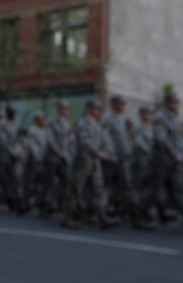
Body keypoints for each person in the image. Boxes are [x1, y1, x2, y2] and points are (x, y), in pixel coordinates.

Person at [139, 92, 183, 230]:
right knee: (153, 189)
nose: (176, 106)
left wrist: (182, 157)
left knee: (178, 188)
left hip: (173, 161)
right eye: (173, 103)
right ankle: (139, 214)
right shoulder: (160, 118)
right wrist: (174, 154)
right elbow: (161, 139)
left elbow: (177, 140)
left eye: (177, 103)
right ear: (167, 103)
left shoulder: (173, 119)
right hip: (160, 160)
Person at [61, 99, 118, 230]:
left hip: (95, 161)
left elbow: (104, 140)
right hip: (83, 160)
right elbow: (85, 141)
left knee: (98, 189)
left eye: (97, 109)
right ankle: (67, 217)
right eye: (94, 108)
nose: (96, 111)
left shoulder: (96, 125)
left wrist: (108, 153)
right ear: (88, 109)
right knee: (76, 189)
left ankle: (102, 218)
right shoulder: (82, 123)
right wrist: (99, 153)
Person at [101, 95, 139, 221]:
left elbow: (124, 138)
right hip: (111, 159)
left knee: (125, 185)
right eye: (120, 104)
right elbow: (105, 138)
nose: (123, 106)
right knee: (108, 187)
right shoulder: (107, 118)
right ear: (113, 104)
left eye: (123, 104)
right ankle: (103, 213)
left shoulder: (122, 118)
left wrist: (127, 152)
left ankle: (125, 212)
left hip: (122, 159)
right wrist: (110, 155)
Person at [40, 100, 71, 218]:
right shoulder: (51, 122)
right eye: (62, 108)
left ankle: (60, 205)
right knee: (49, 184)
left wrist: (66, 154)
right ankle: (45, 208)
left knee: (65, 181)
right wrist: (59, 151)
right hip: (52, 157)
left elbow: (67, 141)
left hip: (63, 158)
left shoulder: (66, 124)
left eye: (66, 109)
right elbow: (50, 139)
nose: (65, 111)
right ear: (58, 109)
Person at [21, 111, 48, 214]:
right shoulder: (32, 131)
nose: (43, 121)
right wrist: (38, 157)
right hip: (33, 161)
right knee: (30, 183)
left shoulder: (44, 131)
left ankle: (38, 203)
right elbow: (32, 146)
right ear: (37, 120)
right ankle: (25, 204)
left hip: (41, 161)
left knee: (39, 184)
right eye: (41, 119)